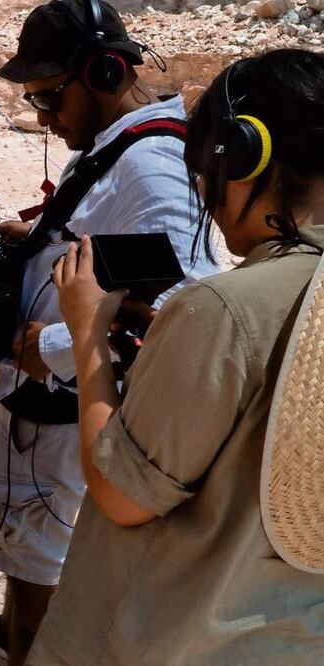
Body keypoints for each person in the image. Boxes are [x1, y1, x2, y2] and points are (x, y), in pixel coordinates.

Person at [36, 48, 324, 664]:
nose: (201, 186)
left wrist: (87, 333)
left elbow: (121, 493)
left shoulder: (223, 309)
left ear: (245, 154)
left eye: (206, 163)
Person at [0, 1, 219, 664]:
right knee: (31, 580)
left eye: (50, 98)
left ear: (103, 73)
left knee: (44, 596)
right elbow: (120, 257)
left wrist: (49, 350)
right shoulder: (119, 149)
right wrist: (43, 241)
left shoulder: (150, 164)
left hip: (66, 424)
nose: (45, 117)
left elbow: (186, 307)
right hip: (47, 424)